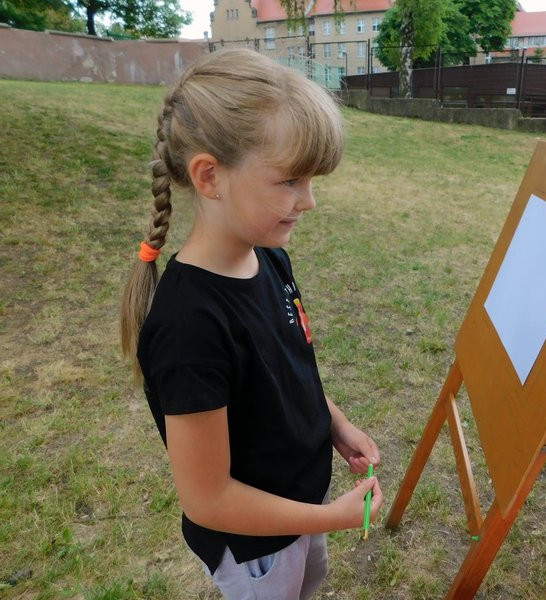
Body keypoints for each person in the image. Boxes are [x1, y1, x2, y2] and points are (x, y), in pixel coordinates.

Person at [119, 48, 383, 599]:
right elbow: (208, 498)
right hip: (256, 548)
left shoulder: (269, 258)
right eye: (289, 180)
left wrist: (333, 423)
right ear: (210, 176)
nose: (307, 201)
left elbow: (287, 373)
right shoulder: (188, 326)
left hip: (302, 513)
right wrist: (332, 518)